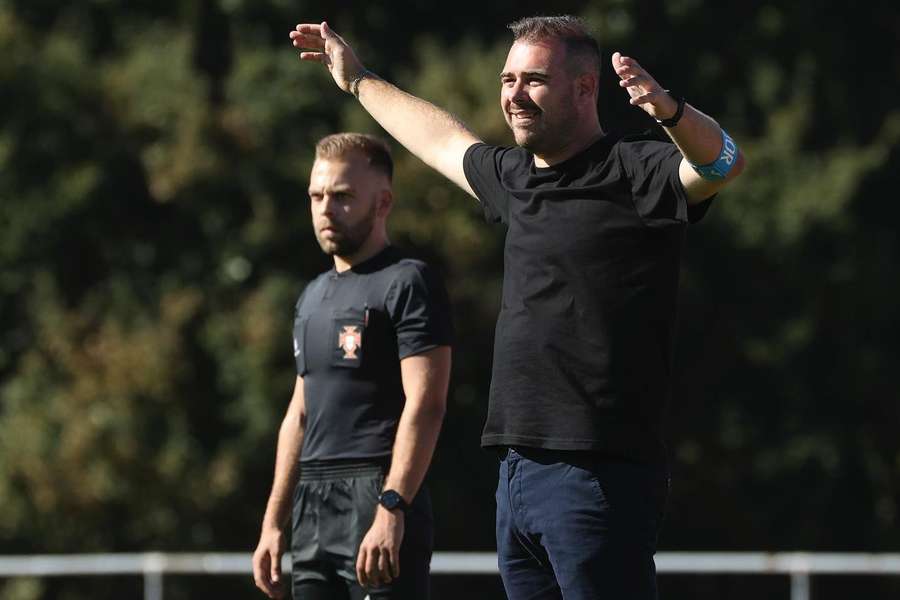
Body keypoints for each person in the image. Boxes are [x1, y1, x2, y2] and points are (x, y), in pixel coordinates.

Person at [289, 14, 746, 600]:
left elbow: (722, 163)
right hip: (515, 474)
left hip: (597, 473)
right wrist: (358, 81)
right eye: (507, 80)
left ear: (585, 88)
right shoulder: (515, 178)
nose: (513, 95)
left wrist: (670, 113)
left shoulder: (636, 170)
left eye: (533, 80)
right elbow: (440, 139)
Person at [252, 133, 453, 600]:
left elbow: (427, 403)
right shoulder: (311, 296)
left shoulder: (407, 282)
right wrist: (272, 524)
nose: (325, 209)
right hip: (313, 504)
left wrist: (392, 505)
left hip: (377, 494)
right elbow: (298, 416)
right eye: (317, 196)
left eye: (342, 197)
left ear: (382, 202)